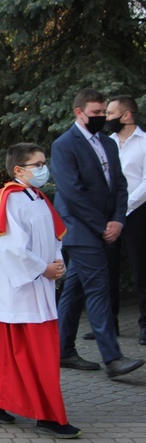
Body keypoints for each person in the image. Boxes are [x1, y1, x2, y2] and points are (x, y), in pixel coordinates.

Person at [0, 142, 81, 439]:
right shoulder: (9, 199)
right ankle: (49, 415)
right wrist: (42, 268)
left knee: (6, 352)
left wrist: (57, 263)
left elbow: (55, 236)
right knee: (38, 353)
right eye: (38, 164)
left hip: (38, 285)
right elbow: (10, 247)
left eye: (44, 163)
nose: (44, 169)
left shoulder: (37, 197)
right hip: (18, 290)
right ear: (18, 169)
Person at [51, 88, 144, 379]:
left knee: (76, 287)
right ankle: (112, 358)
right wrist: (102, 225)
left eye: (104, 113)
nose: (102, 118)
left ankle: (62, 350)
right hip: (81, 229)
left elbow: (119, 185)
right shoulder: (64, 145)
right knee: (99, 287)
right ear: (79, 113)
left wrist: (118, 219)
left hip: (105, 225)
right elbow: (72, 193)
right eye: (96, 113)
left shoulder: (107, 142)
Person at [106, 95, 146, 345]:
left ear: (127, 115)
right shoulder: (106, 143)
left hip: (138, 213)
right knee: (107, 270)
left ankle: (145, 325)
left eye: (111, 114)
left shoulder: (144, 143)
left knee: (141, 269)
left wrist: (125, 207)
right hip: (108, 216)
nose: (107, 119)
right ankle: (110, 324)